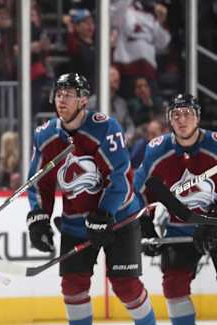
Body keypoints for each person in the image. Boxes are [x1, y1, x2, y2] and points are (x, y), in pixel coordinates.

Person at [26, 73, 156, 325]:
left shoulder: (105, 127)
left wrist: (104, 213)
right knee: (73, 287)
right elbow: (40, 182)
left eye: (69, 95)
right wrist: (39, 216)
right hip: (76, 223)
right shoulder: (45, 135)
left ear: (84, 100)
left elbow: (119, 176)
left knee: (126, 286)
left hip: (120, 218)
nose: (61, 99)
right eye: (59, 94)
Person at [134, 94, 217, 325]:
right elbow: (136, 190)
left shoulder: (215, 146)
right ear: (169, 120)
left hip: (216, 227)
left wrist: (211, 220)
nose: (182, 120)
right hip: (178, 229)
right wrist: (145, 224)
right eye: (176, 115)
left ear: (198, 118)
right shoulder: (157, 150)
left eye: (188, 113)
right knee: (173, 286)